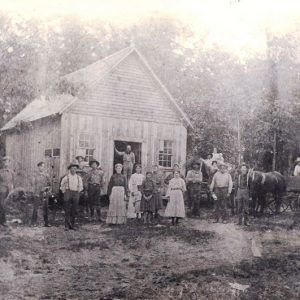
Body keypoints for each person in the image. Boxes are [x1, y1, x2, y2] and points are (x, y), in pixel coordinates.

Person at [60, 161, 83, 230]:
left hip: (75, 193)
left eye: (75, 168)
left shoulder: (79, 177)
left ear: (76, 169)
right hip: (68, 193)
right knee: (67, 210)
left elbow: (81, 186)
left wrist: (78, 191)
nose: (73, 170)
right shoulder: (66, 177)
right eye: (72, 168)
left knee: (74, 209)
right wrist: (64, 191)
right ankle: (66, 225)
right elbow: (62, 185)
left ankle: (72, 225)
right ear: (70, 169)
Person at [31, 161, 52, 227]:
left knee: (45, 208)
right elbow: (33, 185)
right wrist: (35, 193)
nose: (42, 168)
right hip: (37, 193)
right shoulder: (35, 175)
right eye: (40, 166)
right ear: (38, 167)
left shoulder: (47, 175)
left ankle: (46, 223)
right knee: (35, 208)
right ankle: (33, 223)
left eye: (43, 166)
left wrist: (47, 190)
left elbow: (50, 185)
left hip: (44, 194)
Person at [0, 156, 15, 227]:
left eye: (8, 161)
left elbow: (13, 181)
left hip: (9, 191)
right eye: (5, 161)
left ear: (9, 163)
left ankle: (3, 220)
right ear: (3, 163)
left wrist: (12, 189)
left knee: (5, 206)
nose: (6, 163)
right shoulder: (0, 171)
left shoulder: (12, 172)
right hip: (2, 191)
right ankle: (3, 221)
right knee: (2, 205)